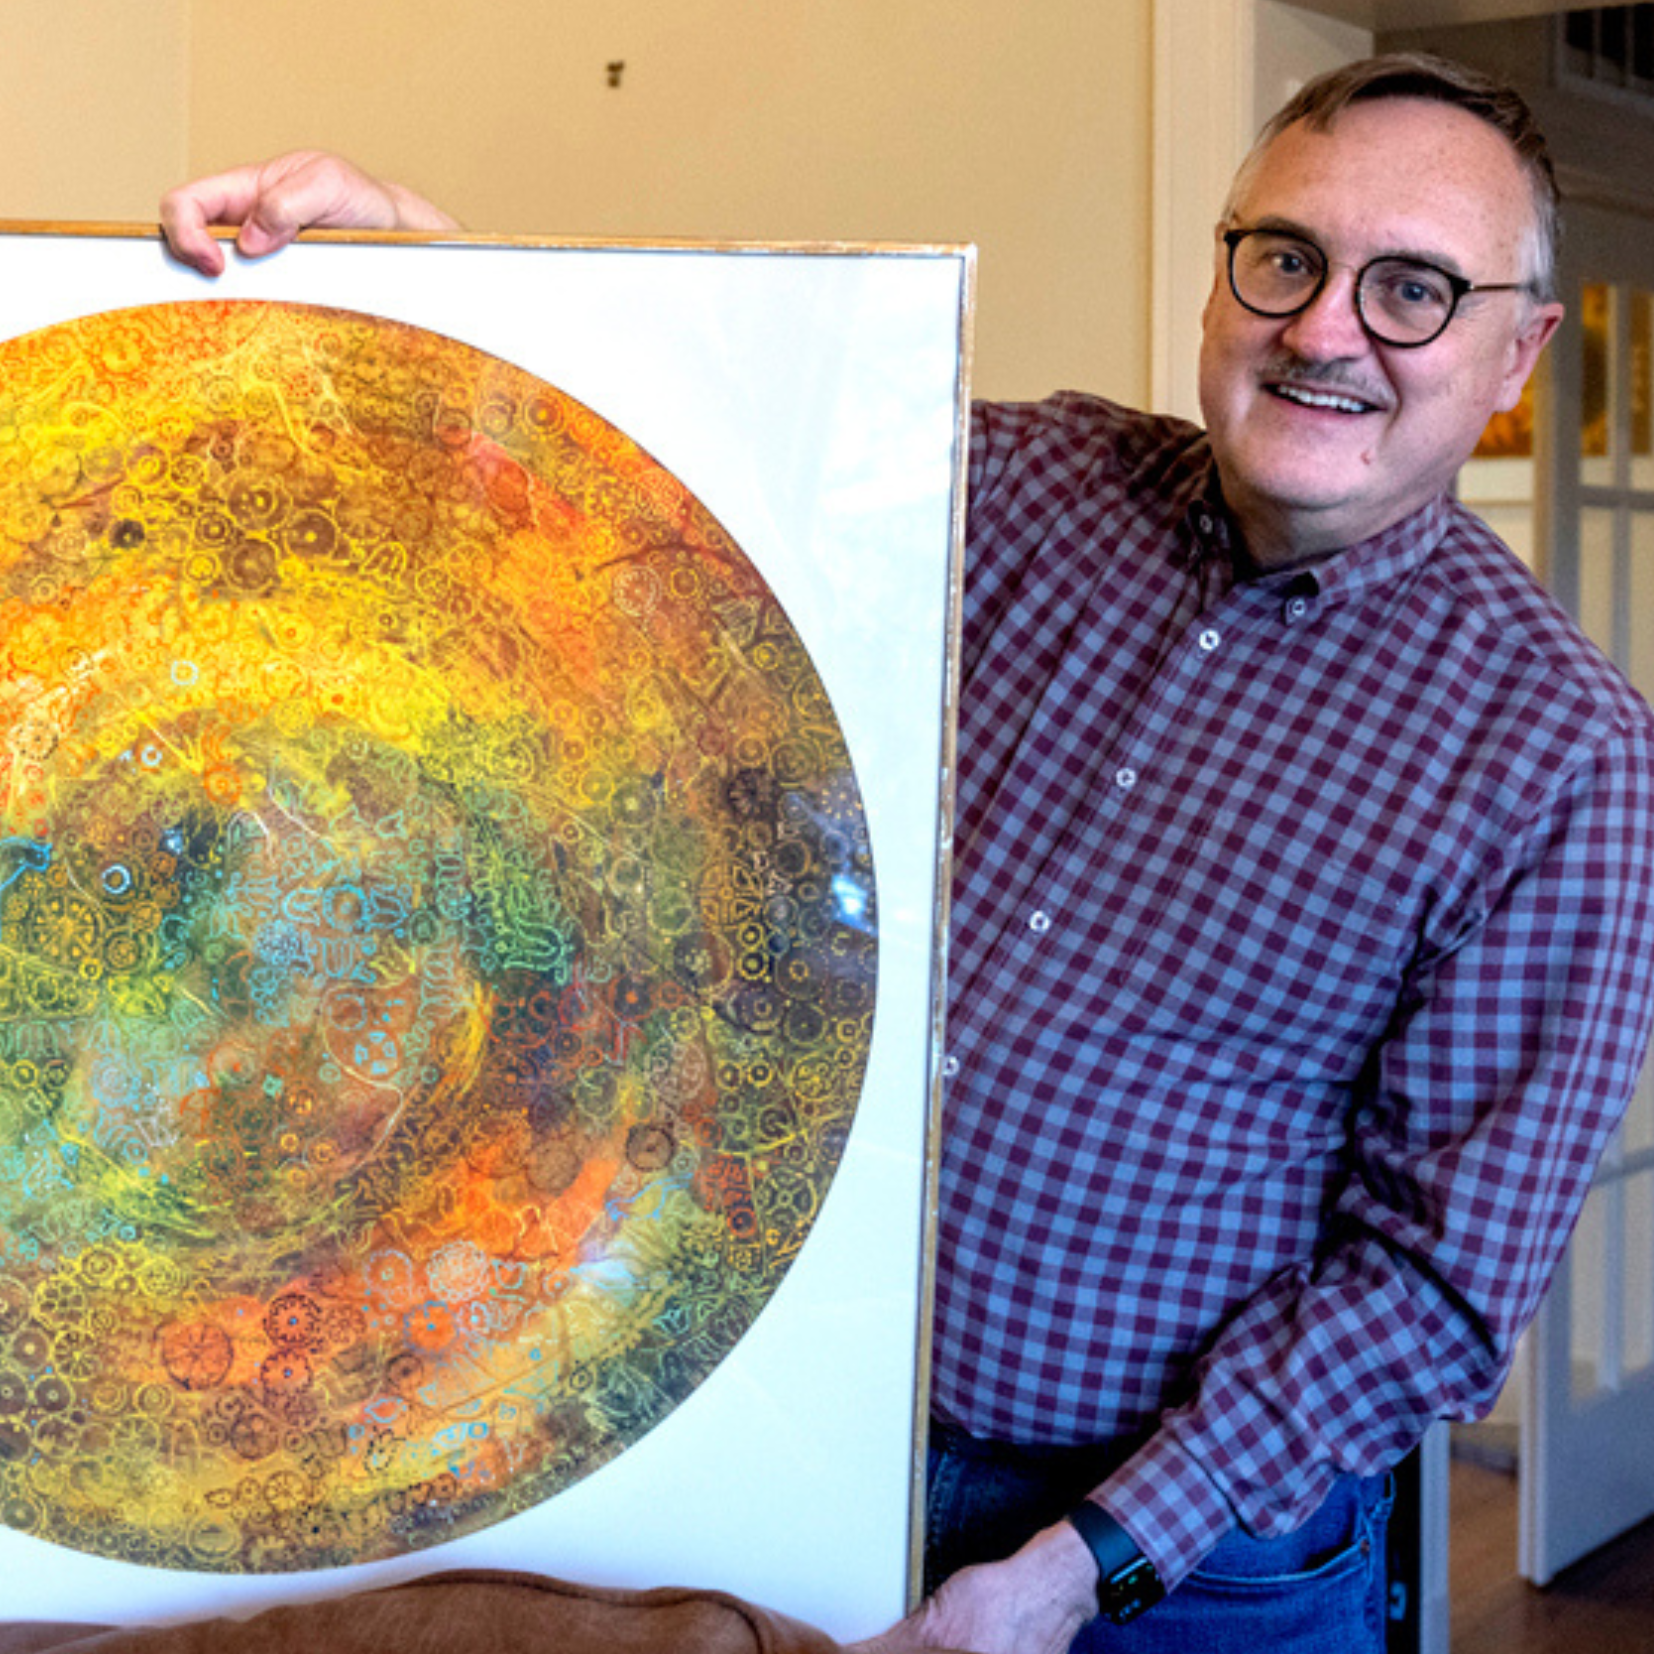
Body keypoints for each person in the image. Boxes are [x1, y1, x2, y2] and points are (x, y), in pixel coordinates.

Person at [159, 54, 1654, 1654]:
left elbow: (1428, 1291)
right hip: (809, 1460)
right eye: (1283, 257)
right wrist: (420, 252)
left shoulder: (1558, 754)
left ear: (1516, 352)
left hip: (1178, 1570)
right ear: (1224, 277)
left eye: (1412, 288)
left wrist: (1079, 1568)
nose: (1323, 327)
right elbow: (681, 470)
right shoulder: (1031, 484)